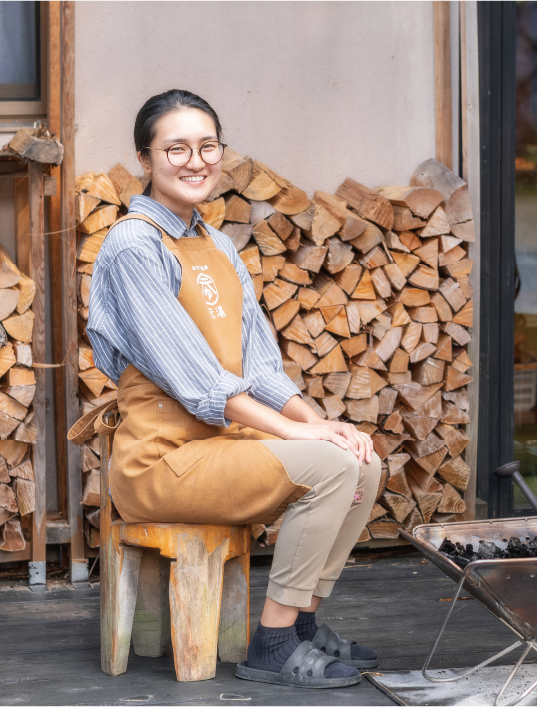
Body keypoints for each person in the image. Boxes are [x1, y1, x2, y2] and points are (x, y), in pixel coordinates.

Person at [87, 89, 381, 689]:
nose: (195, 161)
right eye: (176, 149)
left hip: (221, 444)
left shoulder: (218, 244)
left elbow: (263, 369)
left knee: (363, 460)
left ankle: (299, 623)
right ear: (145, 159)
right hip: (162, 461)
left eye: (207, 146)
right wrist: (302, 434)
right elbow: (199, 384)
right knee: (327, 466)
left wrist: (324, 423)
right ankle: (272, 645)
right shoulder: (133, 245)